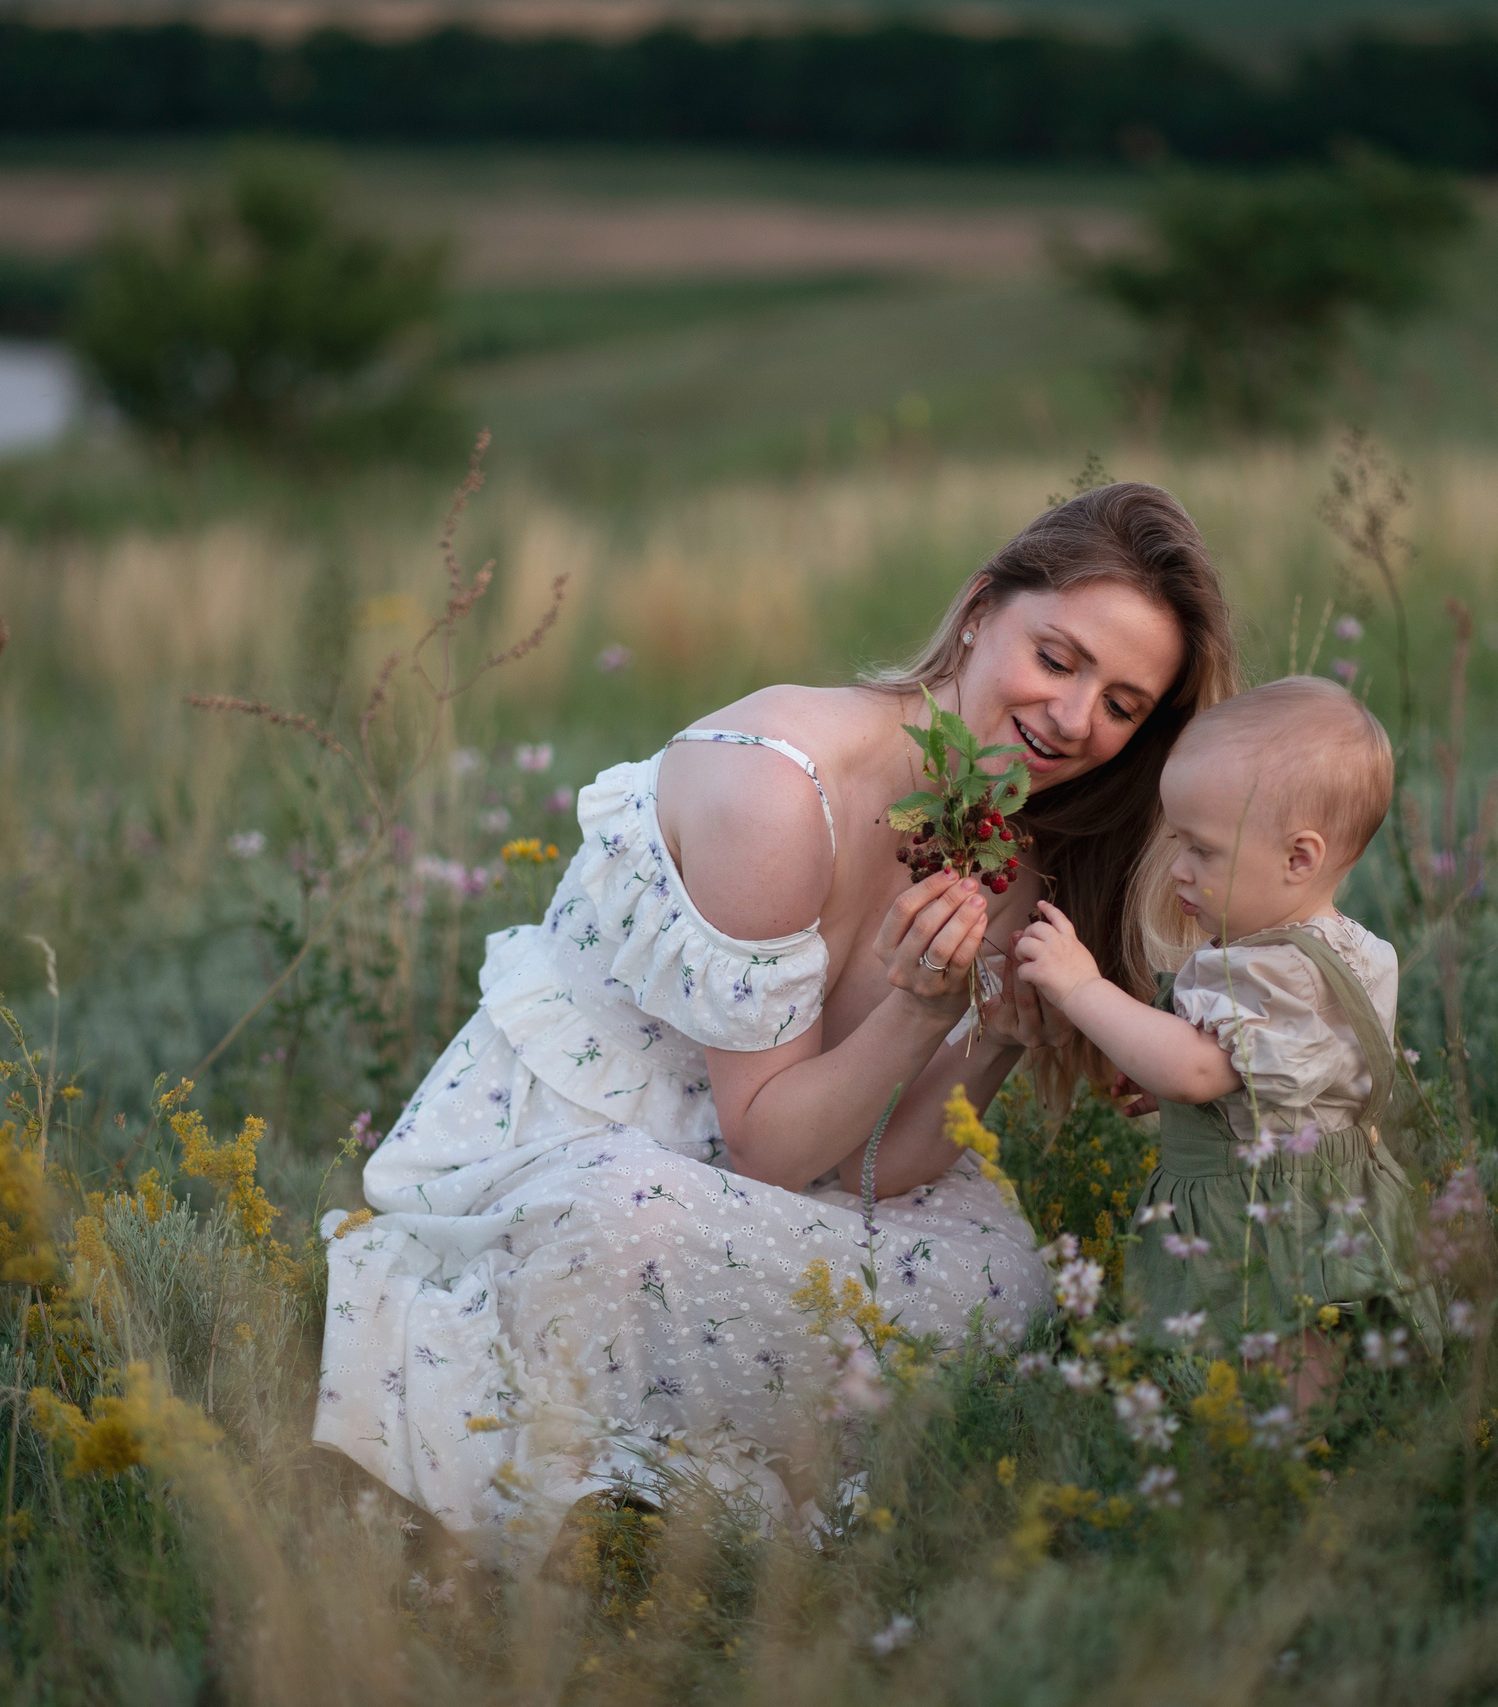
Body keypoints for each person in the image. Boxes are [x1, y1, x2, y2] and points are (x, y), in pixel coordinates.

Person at [314, 483, 1237, 1562]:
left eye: (1123, 706)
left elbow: (868, 1167)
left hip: (786, 1186)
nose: (1076, 721)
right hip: (597, 1146)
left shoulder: (1011, 853)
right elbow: (763, 1146)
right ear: (984, 607)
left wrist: (993, 1033)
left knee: (1008, 1286)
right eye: (1059, 658)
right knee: (625, 1223)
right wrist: (916, 1013)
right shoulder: (779, 788)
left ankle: (681, 1496)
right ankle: (633, 1494)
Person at [1011, 675, 1434, 1414]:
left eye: (1202, 849)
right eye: (1178, 840)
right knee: (1287, 1343)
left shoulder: (1268, 969)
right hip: (1310, 1187)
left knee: (1275, 1345)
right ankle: (1287, 1448)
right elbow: (1260, 1076)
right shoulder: (1344, 948)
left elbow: (1199, 1070)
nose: (1177, 867)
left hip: (1265, 1207)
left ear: (1299, 858)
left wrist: (1080, 987)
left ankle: (1288, 1465)